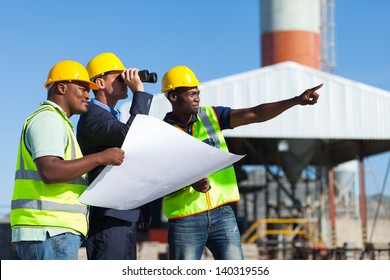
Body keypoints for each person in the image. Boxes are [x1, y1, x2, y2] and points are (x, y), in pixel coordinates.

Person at [160, 65, 323, 260]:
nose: (197, 98)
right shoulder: (161, 133)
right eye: (191, 94)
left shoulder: (211, 117)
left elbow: (255, 114)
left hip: (222, 213)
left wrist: (296, 101)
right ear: (173, 97)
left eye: (198, 93)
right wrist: (190, 182)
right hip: (185, 218)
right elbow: (159, 180)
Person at [10, 60, 125, 260]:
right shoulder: (49, 120)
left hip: (52, 229)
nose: (88, 95)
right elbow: (50, 171)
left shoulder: (59, 123)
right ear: (62, 88)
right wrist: (101, 157)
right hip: (48, 229)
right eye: (82, 89)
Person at [77, 52, 154, 260]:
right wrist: (139, 92)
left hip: (124, 212)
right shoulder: (91, 114)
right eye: (119, 78)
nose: (126, 82)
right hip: (108, 213)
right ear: (100, 83)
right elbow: (133, 135)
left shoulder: (112, 117)